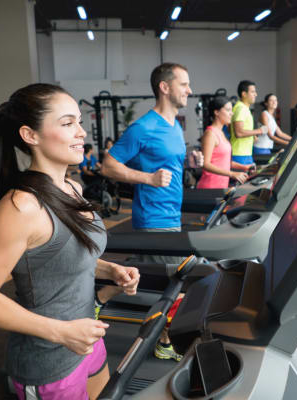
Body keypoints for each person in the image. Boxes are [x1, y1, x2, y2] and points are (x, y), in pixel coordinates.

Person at [0, 83, 140, 400]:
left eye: (79, 122)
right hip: (48, 364)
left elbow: (58, 256)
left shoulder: (72, 188)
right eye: (68, 123)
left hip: (88, 340)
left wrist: (109, 270)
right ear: (31, 135)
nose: (81, 132)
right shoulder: (21, 207)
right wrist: (62, 332)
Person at [101, 62, 201, 361]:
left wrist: (193, 161)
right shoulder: (143, 127)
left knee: (142, 272)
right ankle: (165, 341)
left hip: (171, 214)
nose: (190, 90)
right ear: (165, 87)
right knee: (182, 280)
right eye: (184, 84)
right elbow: (108, 164)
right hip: (154, 217)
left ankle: (98, 296)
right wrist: (147, 178)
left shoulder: (175, 125)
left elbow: (168, 165)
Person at [197, 96, 252, 189]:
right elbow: (206, 164)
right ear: (216, 112)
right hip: (210, 187)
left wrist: (244, 167)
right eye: (228, 110)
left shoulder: (221, 132)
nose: (232, 113)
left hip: (221, 186)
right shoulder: (210, 134)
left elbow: (224, 162)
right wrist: (232, 173)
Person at [230, 80, 268, 165]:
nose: (256, 94)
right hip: (239, 154)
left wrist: (252, 135)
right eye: (252, 92)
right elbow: (238, 132)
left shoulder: (244, 108)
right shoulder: (241, 108)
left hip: (245, 153)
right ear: (244, 94)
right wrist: (259, 131)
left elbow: (233, 129)